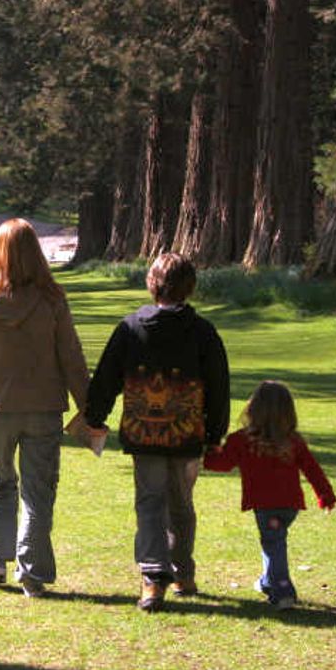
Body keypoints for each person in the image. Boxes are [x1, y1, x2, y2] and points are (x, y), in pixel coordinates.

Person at [84, 252, 229, 612]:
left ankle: (153, 577)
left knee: (150, 502)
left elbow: (106, 377)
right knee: (181, 504)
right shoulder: (203, 332)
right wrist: (215, 433)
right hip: (186, 434)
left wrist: (95, 416)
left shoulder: (130, 328)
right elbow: (218, 386)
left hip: (144, 433)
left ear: (152, 285)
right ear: (190, 287)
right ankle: (182, 573)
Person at [0, 218, 90, 598]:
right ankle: (32, 572)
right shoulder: (53, 302)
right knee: (38, 490)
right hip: (44, 408)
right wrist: (88, 407)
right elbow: (72, 359)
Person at [203, 380, 336, 610]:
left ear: (252, 409)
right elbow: (313, 470)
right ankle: (267, 581)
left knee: (273, 543)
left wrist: (207, 455)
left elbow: (223, 464)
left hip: (266, 506)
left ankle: (283, 590)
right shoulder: (293, 441)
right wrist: (325, 495)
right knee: (273, 540)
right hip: (290, 505)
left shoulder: (241, 439)